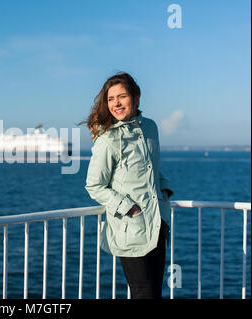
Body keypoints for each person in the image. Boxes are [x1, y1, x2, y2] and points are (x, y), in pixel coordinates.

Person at [82, 72, 173, 299]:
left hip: (157, 223)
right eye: (111, 99)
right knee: (143, 293)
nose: (116, 104)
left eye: (122, 96)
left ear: (136, 97)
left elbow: (151, 165)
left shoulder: (151, 128)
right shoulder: (107, 139)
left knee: (155, 292)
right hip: (131, 227)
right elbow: (94, 185)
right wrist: (126, 206)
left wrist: (164, 187)